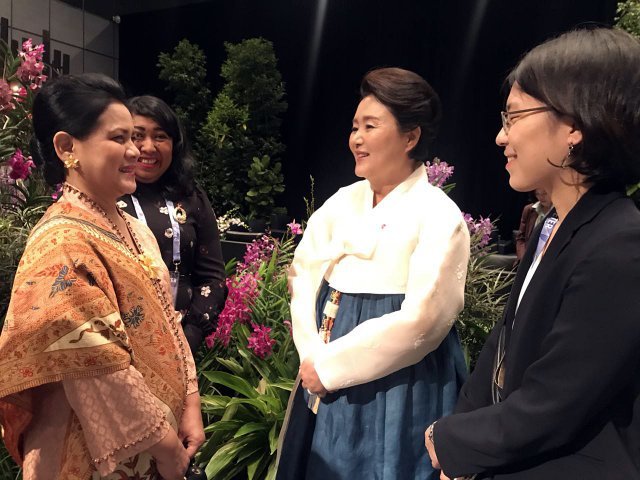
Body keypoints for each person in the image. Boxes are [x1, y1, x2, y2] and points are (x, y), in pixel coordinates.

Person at [425, 27, 640, 479]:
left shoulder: (621, 243)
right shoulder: (552, 224)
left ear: (576, 126)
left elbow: (555, 404)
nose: (501, 138)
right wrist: (459, 440)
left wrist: (450, 442)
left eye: (513, 117)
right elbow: (501, 350)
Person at [0, 74, 204, 479]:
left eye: (134, 137)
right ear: (66, 147)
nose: (135, 151)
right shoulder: (60, 243)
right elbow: (95, 368)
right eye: (119, 139)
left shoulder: (132, 226)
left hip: (158, 443)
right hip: (90, 451)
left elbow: (166, 316)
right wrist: (166, 450)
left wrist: (191, 402)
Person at [277, 67, 470, 480]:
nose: (356, 139)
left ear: (410, 136)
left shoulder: (437, 214)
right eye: (354, 127)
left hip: (402, 382)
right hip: (325, 372)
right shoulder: (342, 202)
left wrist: (332, 366)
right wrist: (313, 355)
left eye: (370, 126)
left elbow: (424, 320)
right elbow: (304, 275)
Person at [119, 95, 226, 354]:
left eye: (160, 136)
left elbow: (213, 278)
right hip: (119, 346)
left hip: (181, 344)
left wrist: (189, 337)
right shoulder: (107, 195)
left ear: (174, 145)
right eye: (137, 135)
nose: (148, 147)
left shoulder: (191, 197)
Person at [514, 188, 551, 260]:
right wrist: (523, 257)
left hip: (547, 258)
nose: (541, 197)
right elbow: (520, 237)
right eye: (537, 194)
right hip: (528, 258)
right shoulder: (529, 209)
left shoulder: (560, 211)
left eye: (544, 193)